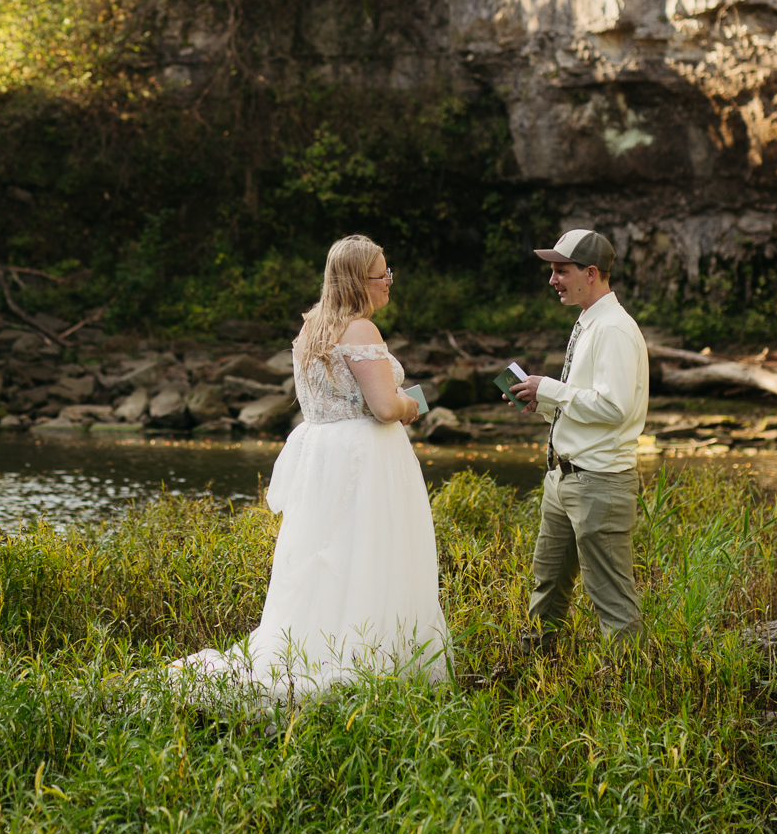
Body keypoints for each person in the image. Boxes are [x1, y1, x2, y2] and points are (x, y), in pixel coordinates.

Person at [172, 234, 448, 698]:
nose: (390, 282)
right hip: (365, 461)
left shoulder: (312, 328)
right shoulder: (360, 330)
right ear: (360, 280)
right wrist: (410, 404)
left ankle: (315, 645)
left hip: (324, 461)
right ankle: (368, 659)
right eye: (384, 274)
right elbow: (382, 407)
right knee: (369, 555)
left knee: (328, 557)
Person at [508, 228, 649, 643]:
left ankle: (632, 693)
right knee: (547, 590)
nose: (552, 280)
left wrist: (549, 387)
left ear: (591, 272)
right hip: (563, 478)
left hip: (600, 482)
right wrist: (542, 404)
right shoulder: (590, 323)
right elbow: (588, 404)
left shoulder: (614, 330)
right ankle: (537, 677)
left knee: (614, 602)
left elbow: (614, 408)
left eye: (560, 271)